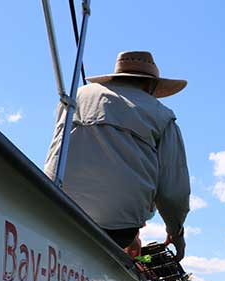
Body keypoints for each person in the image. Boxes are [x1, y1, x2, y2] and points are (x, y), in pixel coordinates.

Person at [44, 51, 190, 261]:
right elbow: (172, 192)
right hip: (117, 229)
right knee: (115, 233)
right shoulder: (162, 115)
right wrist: (176, 232)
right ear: (151, 86)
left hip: (53, 205)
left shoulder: (75, 97)